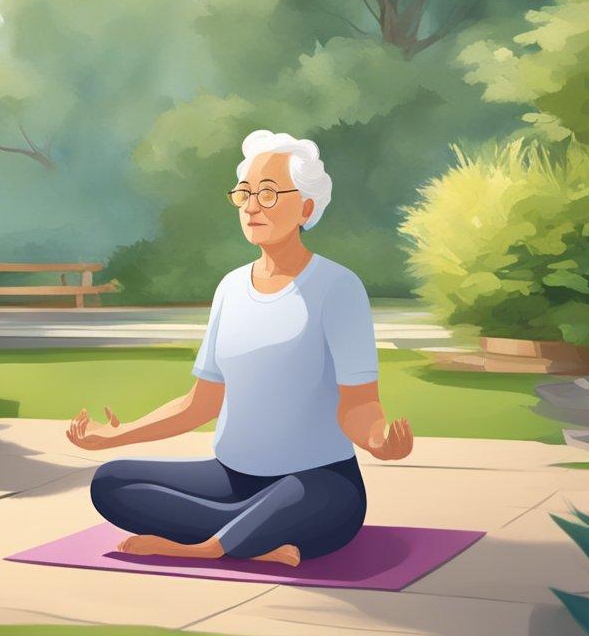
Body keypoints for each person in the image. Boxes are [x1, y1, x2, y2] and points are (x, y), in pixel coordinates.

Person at [66, 129, 414, 566]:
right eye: (245, 194)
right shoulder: (231, 287)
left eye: (268, 195)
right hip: (231, 478)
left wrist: (379, 441)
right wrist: (116, 436)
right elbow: (201, 402)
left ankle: (209, 546)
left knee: (320, 502)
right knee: (111, 482)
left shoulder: (338, 287)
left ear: (306, 207)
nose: (251, 207)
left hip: (314, 480)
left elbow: (358, 405)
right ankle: (253, 535)